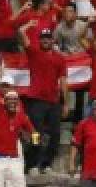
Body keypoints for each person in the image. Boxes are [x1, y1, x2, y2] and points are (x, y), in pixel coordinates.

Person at [18, 27, 68, 174]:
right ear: (39, 40)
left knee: (55, 134)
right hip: (36, 101)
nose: (46, 40)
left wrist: (65, 103)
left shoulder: (60, 58)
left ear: (53, 40)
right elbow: (21, 33)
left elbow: (64, 81)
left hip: (53, 101)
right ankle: (32, 164)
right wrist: (27, 24)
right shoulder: (33, 52)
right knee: (35, 133)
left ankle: (46, 164)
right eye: (43, 38)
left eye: (48, 38)